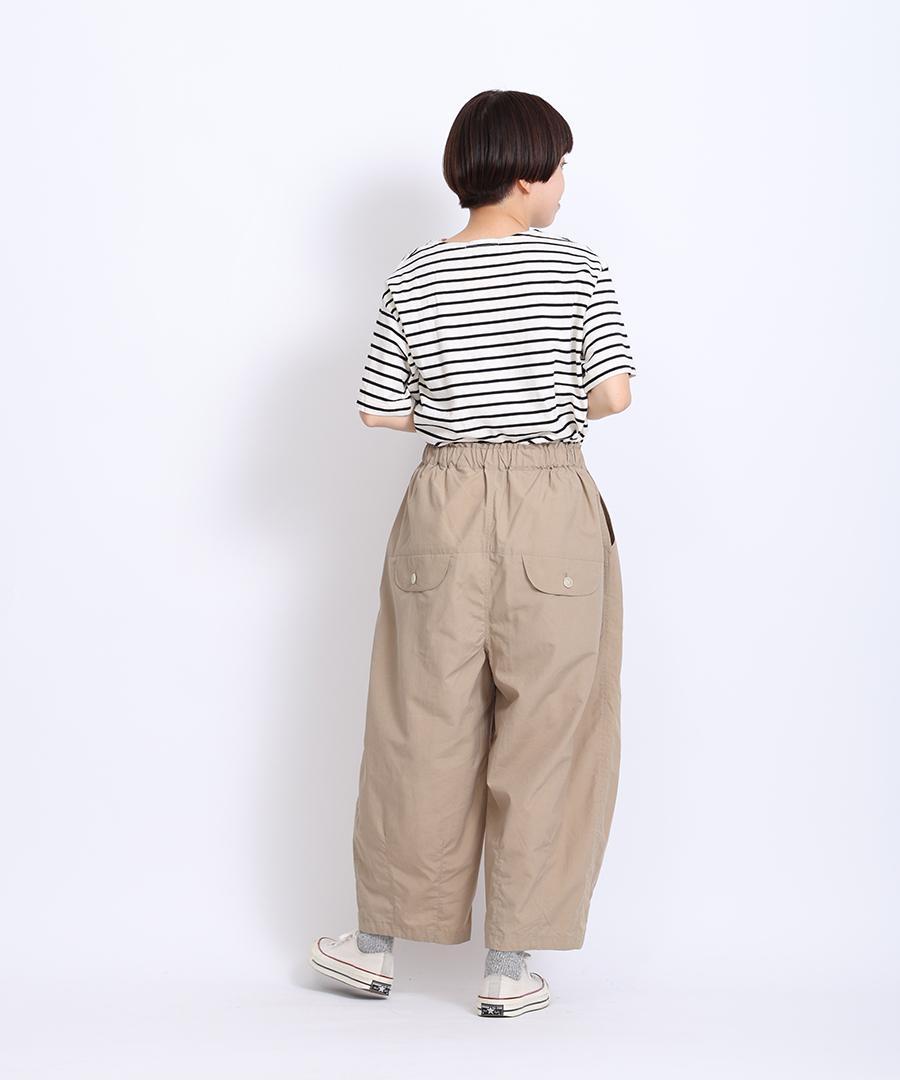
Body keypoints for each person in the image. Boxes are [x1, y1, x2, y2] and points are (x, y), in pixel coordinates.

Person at [309, 89, 636, 1018]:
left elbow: (378, 409)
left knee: (420, 722)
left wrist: (459, 410)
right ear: (526, 174)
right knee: (550, 732)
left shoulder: (416, 274)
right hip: (550, 502)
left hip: (443, 503)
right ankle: (509, 967)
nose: (565, 184)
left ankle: (375, 947)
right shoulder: (577, 268)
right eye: (561, 168)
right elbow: (613, 396)